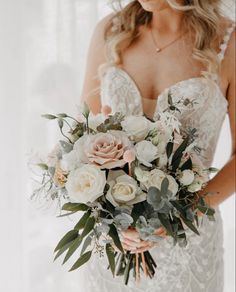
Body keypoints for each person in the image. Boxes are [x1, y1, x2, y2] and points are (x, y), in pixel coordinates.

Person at [80, 1, 235, 291]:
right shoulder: (110, 31)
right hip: (116, 243)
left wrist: (186, 211)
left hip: (189, 244)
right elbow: (84, 138)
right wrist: (111, 213)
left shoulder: (229, 43)